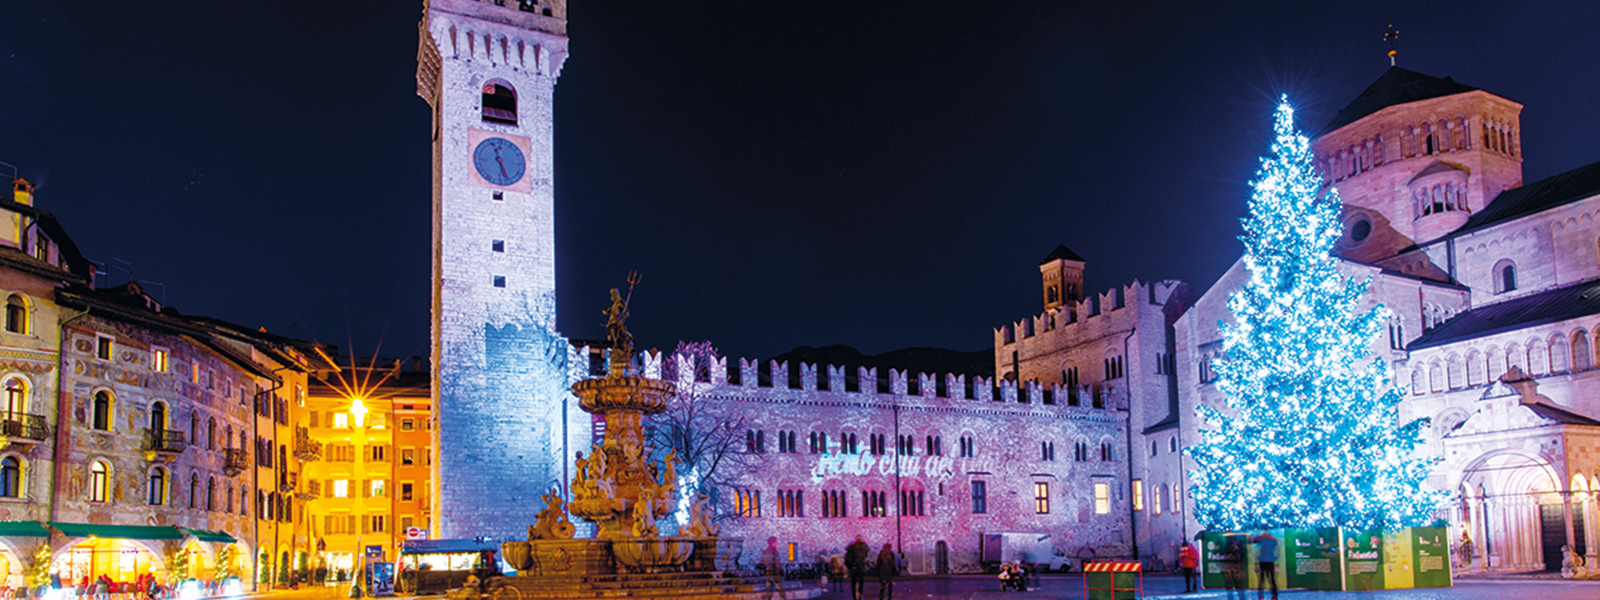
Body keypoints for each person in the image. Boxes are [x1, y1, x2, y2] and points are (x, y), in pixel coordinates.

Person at [1251, 531, 1278, 600]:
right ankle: (1274, 594)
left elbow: (1254, 540)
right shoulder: (1272, 540)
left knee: (1262, 579)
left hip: (1263, 561)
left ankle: (1261, 595)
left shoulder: (1262, 540)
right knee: (1271, 579)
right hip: (1270, 561)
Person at [845, 536, 870, 600]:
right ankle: (860, 596)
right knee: (861, 583)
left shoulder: (852, 548)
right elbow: (868, 551)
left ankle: (854, 597)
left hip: (854, 568)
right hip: (861, 567)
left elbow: (847, 553)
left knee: (853, 583)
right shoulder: (863, 547)